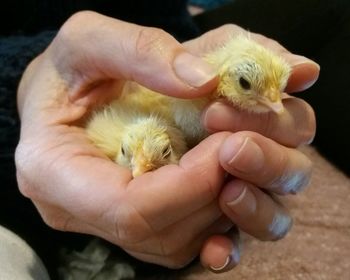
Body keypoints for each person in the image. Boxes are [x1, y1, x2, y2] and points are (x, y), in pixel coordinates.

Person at [1, 1, 320, 278]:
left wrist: (175, 54)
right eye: (247, 84)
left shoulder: (192, 100)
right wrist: (30, 79)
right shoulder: (159, 120)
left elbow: (165, 28)